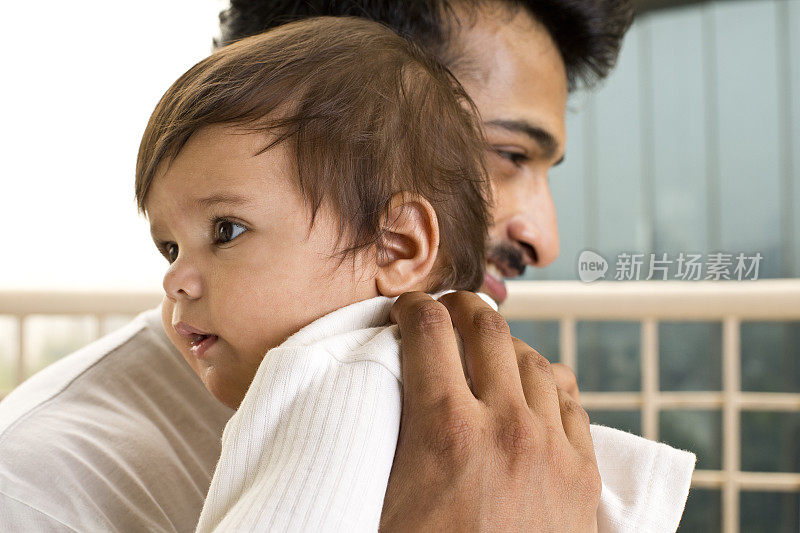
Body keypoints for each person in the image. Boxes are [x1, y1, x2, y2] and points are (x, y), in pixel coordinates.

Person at [0, 1, 635, 531]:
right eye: (505, 153)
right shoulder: (39, 492)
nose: (545, 238)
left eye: (224, 232)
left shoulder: (513, 426)